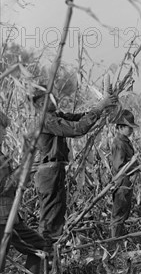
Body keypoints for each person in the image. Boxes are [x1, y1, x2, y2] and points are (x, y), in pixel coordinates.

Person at [31, 86, 116, 252]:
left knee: (55, 216)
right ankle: (42, 262)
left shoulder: (56, 117)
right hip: (49, 172)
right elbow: (78, 129)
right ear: (42, 103)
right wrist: (100, 106)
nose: (57, 100)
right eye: (52, 98)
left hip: (53, 171)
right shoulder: (47, 120)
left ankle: (49, 260)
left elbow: (79, 119)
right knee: (50, 219)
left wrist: (103, 107)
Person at [0, 111, 46, 274]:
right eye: (2, 129)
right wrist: (26, 168)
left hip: (9, 218)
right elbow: (4, 186)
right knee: (39, 246)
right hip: (4, 220)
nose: (5, 133)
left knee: (39, 246)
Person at [109, 109, 138, 238]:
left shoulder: (125, 141)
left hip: (127, 181)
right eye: (128, 127)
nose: (131, 130)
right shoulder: (119, 143)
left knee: (124, 212)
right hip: (121, 182)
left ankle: (118, 239)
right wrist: (135, 166)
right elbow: (119, 166)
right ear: (120, 128)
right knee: (118, 213)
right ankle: (114, 241)